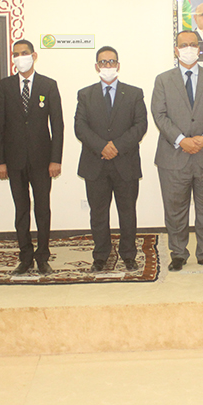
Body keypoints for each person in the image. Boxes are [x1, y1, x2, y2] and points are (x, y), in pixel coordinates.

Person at [151, 30, 203, 271]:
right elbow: (159, 114)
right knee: (175, 209)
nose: (188, 48)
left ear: (199, 48)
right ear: (176, 50)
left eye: (193, 44)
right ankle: (178, 253)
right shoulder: (163, 80)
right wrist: (180, 140)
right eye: (183, 45)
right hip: (173, 155)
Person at [0, 39, 63, 275]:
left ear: (34, 56)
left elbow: (58, 125)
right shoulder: (4, 87)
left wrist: (56, 159)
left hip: (42, 161)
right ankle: (25, 257)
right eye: (16, 54)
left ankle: (42, 256)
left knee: (42, 209)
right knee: (21, 210)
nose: (20, 57)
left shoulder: (48, 85)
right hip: (14, 161)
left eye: (24, 53)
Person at [75, 46, 148, 272]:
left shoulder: (134, 93)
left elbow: (140, 125)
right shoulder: (85, 94)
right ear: (97, 66)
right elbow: (80, 127)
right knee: (98, 214)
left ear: (118, 65)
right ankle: (100, 256)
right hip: (95, 164)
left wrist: (116, 146)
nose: (108, 66)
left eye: (112, 61)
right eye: (103, 62)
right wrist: (102, 147)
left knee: (128, 213)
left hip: (125, 163)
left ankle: (128, 255)